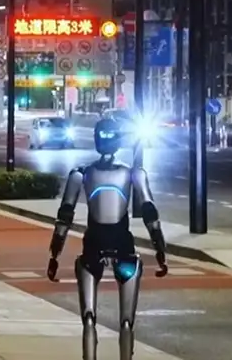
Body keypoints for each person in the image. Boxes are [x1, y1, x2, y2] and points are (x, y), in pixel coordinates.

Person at [46, 118, 169, 360]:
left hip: (93, 248)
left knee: (88, 318)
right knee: (126, 321)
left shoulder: (81, 174)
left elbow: (64, 217)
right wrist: (160, 251)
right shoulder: (133, 173)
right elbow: (150, 212)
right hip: (124, 247)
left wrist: (54, 256)